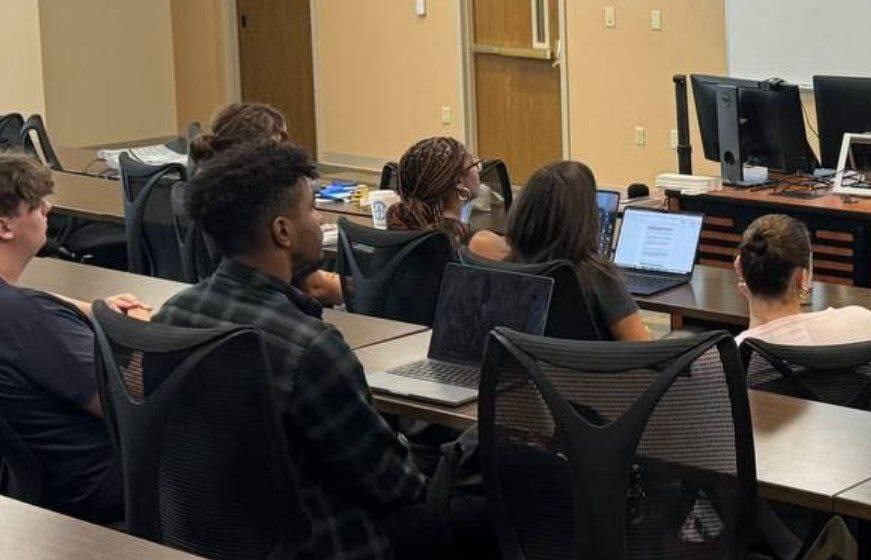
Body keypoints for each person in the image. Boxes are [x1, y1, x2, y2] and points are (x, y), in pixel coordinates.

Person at [155, 141, 493, 560]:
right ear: (282, 231)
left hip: (211, 538)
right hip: (327, 544)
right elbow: (395, 486)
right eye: (313, 210)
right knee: (492, 508)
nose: (319, 221)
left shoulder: (172, 316)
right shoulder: (309, 349)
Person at [0, 152, 150, 523]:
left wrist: (90, 308)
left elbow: (24, 304)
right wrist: (140, 331)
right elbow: (129, 403)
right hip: (97, 490)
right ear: (5, 227)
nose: (48, 209)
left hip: (34, 488)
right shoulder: (31, 320)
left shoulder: (23, 311)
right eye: (37, 206)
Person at [188, 102, 344, 306]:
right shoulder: (256, 206)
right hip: (269, 307)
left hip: (224, 301)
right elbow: (314, 287)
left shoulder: (212, 192)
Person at [505, 160, 651, 342]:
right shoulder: (599, 277)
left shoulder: (506, 269)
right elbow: (642, 347)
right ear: (586, 218)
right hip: (591, 361)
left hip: (528, 360)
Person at [734, 213, 871, 346]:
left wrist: (752, 300)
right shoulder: (863, 322)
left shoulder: (734, 355)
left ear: (741, 269)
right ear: (802, 277)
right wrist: (803, 290)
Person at [385, 136, 506, 258]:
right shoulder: (479, 246)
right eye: (474, 165)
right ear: (459, 182)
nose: (478, 170)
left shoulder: (397, 239)